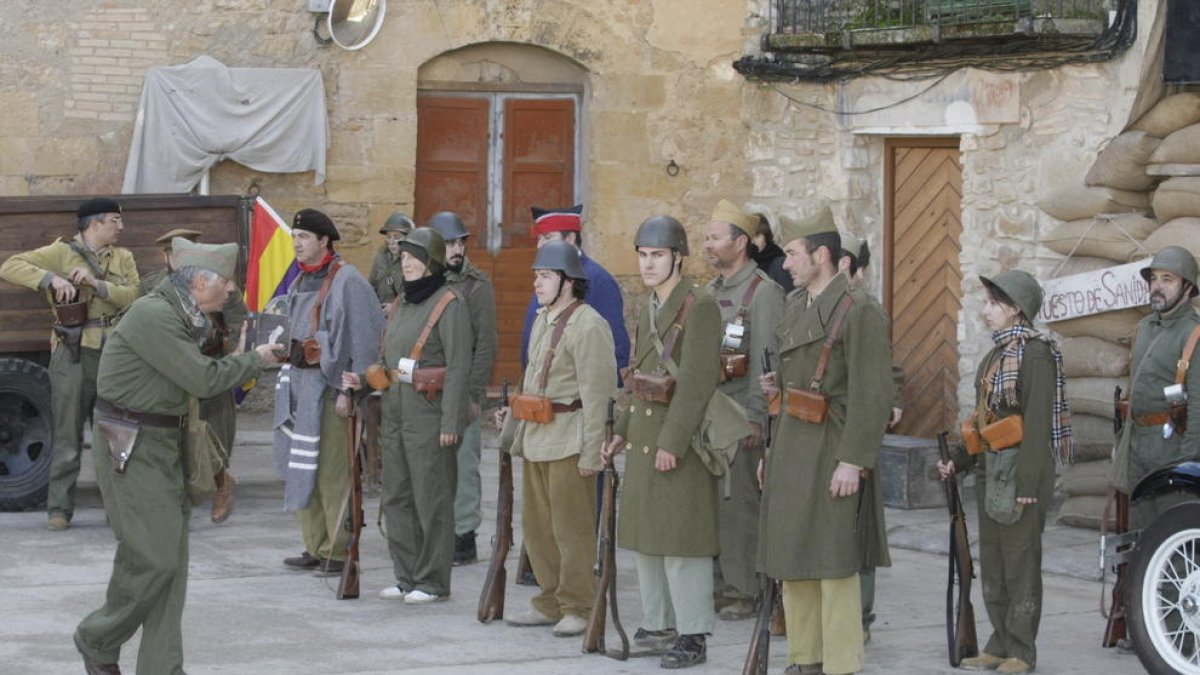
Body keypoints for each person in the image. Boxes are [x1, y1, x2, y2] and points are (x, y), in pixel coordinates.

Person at [74, 238, 278, 675]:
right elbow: (202, 379)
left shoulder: (184, 316)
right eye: (224, 282)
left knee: (172, 566)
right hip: (131, 446)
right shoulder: (155, 315)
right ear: (199, 281)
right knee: (154, 558)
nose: (230, 291)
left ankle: (162, 667)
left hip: (163, 444)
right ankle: (98, 638)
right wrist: (253, 359)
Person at [758, 206, 894, 675]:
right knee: (794, 554)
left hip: (834, 447)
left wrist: (853, 461)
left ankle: (839, 663)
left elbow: (873, 395)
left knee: (835, 561)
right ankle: (805, 657)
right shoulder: (798, 305)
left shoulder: (861, 312)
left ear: (822, 254)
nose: (786, 263)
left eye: (793, 254)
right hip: (794, 445)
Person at [937, 269, 1072, 674]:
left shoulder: (1035, 354)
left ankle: (1022, 651)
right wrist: (959, 461)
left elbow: (1037, 423)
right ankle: (998, 643)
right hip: (990, 469)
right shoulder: (996, 354)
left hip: (1020, 473)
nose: (986, 310)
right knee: (993, 562)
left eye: (994, 303)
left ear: (1015, 309)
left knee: (1020, 562)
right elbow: (983, 419)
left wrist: (1029, 485)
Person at [603, 215, 722, 669]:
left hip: (679, 440)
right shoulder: (650, 304)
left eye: (657, 255)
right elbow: (640, 376)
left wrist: (674, 440)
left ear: (677, 257)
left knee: (681, 543)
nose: (648, 264)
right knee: (647, 538)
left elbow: (695, 382)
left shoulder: (700, 305)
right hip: (647, 436)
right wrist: (620, 433)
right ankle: (658, 621)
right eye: (643, 255)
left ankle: (693, 632)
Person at [494, 240, 616, 635]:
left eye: (545, 276)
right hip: (537, 437)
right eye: (536, 276)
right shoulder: (544, 319)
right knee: (538, 529)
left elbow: (599, 395)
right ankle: (548, 600)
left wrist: (592, 454)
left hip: (569, 439)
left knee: (572, 530)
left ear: (568, 282)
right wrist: (513, 418)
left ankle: (578, 605)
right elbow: (534, 380)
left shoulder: (589, 325)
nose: (536, 283)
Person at [345, 226, 470, 604]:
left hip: (429, 415)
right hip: (396, 412)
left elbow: (460, 367)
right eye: (404, 258)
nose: (409, 264)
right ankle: (406, 575)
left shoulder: (450, 304)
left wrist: (451, 422)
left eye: (416, 258)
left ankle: (432, 580)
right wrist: (363, 383)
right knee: (396, 496)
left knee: (431, 498)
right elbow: (388, 362)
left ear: (432, 263)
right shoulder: (401, 303)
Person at [0, 197, 139, 531]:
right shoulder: (61, 253)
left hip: (114, 355)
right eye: (114, 220)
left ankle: (117, 508)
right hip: (73, 352)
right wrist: (52, 279)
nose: (120, 227)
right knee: (67, 433)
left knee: (115, 434)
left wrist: (96, 284)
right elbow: (9, 266)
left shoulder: (123, 257)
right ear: (94, 223)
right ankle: (59, 508)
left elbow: (135, 295)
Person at [274, 208, 384, 577]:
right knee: (302, 465)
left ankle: (338, 549)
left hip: (330, 390)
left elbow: (366, 339)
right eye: (294, 237)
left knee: (333, 473)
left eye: (303, 237)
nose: (297, 244)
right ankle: (314, 544)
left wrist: (348, 389)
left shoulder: (348, 280)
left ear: (324, 241)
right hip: (300, 386)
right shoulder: (299, 281)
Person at [702, 199, 783, 620]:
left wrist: (757, 416)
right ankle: (716, 584)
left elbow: (767, 358)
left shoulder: (764, 293)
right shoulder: (710, 291)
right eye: (707, 238)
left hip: (739, 418)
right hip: (708, 416)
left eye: (715, 238)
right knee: (712, 506)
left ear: (740, 242)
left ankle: (742, 590)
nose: (707, 245)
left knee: (739, 509)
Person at [141, 227, 247, 524]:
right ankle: (180, 499)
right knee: (180, 435)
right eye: (170, 253)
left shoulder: (220, 284)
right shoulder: (152, 285)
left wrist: (234, 357)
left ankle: (222, 483)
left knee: (216, 430)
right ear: (166, 257)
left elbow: (240, 319)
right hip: (174, 367)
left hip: (210, 360)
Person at [837, 233, 902, 643]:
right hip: (827, 431)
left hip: (855, 432)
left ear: (857, 268)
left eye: (847, 263)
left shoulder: (866, 311)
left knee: (859, 529)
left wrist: (893, 400)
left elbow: (883, 370)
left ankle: (859, 617)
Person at [428, 211, 497, 566]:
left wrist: (472, 396)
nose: (456, 249)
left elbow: (485, 345)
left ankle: (464, 534)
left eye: (460, 243)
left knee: (464, 464)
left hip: (463, 389)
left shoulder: (477, 284)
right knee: (432, 465)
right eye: (449, 243)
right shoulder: (424, 279)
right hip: (429, 390)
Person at [1114, 246, 1200, 529]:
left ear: (1187, 288)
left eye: (1168, 279)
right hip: (1138, 443)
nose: (1157, 287)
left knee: (1171, 530)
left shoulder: (1194, 333)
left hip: (1174, 447)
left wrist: (1186, 463)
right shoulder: (1144, 328)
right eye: (1154, 279)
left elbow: (1199, 405)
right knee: (1139, 530)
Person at [519, 204, 630, 378]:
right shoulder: (548, 274)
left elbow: (613, 340)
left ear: (570, 238)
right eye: (538, 239)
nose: (540, 245)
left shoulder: (598, 279)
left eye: (547, 237)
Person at [369, 212, 413, 306]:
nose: (391, 242)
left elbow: (417, 295)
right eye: (389, 237)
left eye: (397, 237)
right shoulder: (381, 258)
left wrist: (394, 308)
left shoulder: (414, 261)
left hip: (403, 314)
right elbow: (371, 286)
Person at [749, 211, 793, 293]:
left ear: (766, 236)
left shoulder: (779, 262)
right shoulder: (748, 262)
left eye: (757, 236)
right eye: (750, 238)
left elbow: (788, 297)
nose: (753, 242)